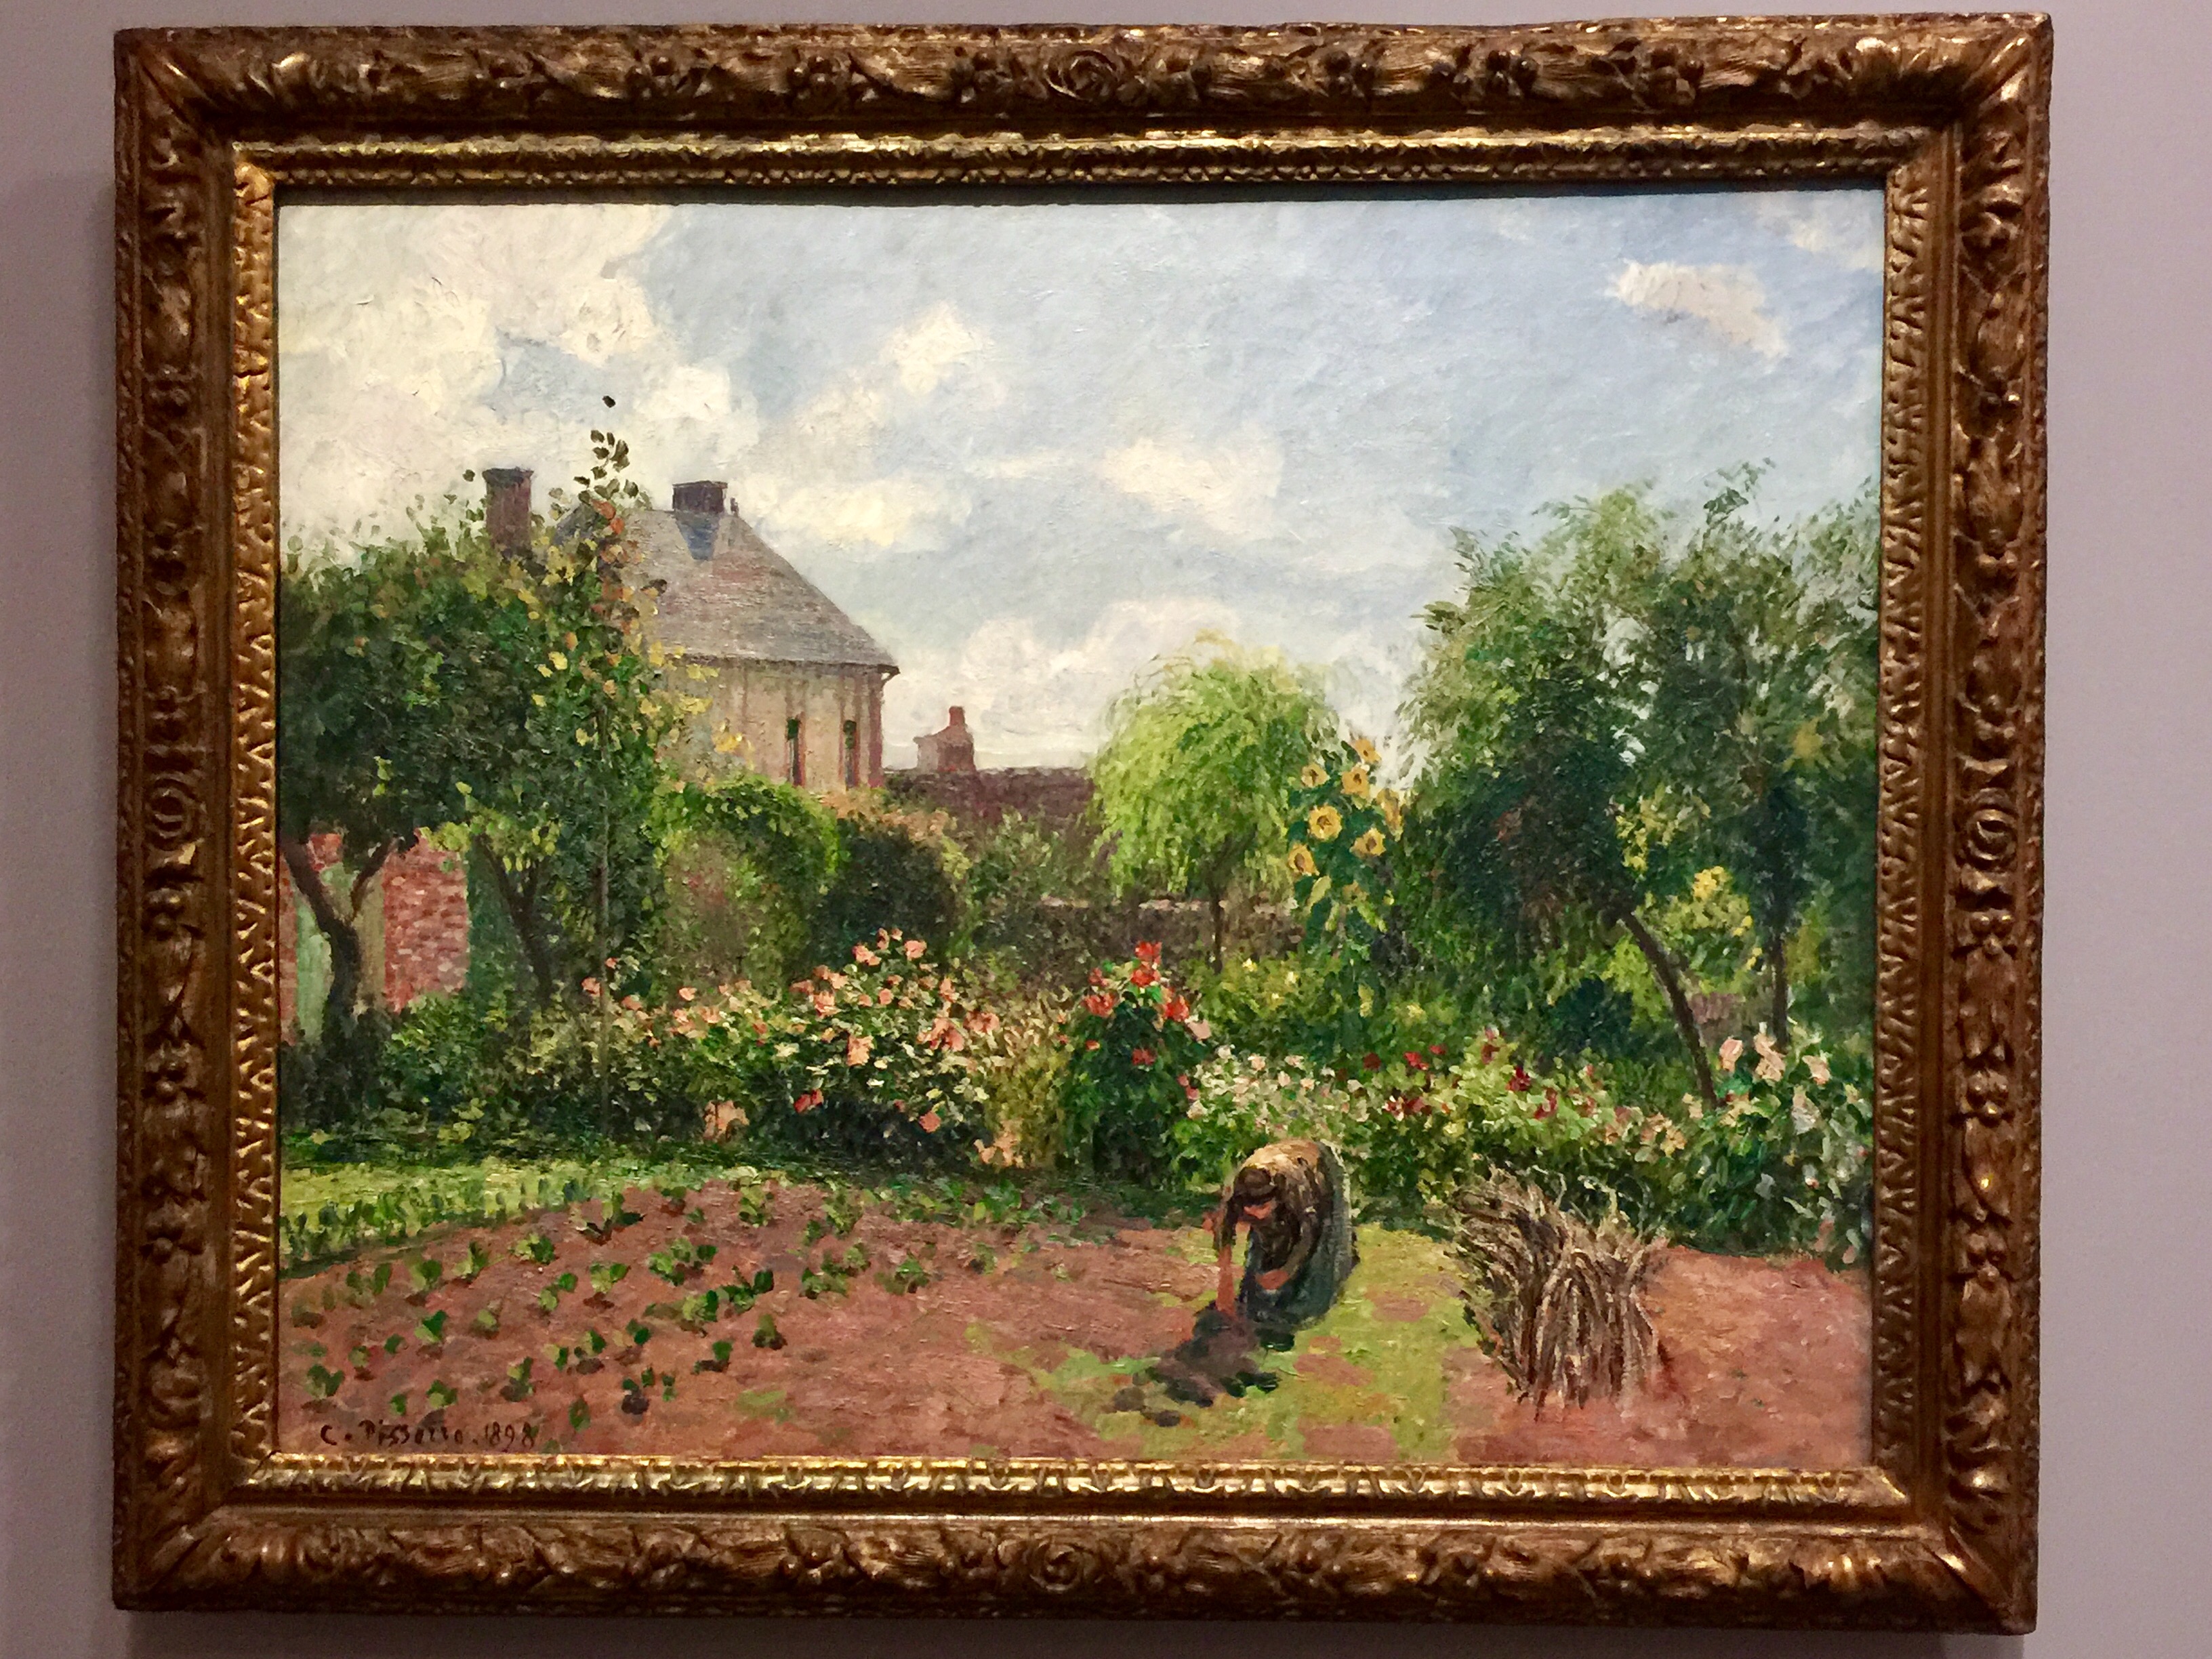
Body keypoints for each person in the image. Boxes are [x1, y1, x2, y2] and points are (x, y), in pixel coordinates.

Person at [1212, 1139, 1357, 1343]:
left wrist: (1287, 1271)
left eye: (1263, 1207)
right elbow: (1224, 1230)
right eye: (1251, 1209)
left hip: (1321, 1166)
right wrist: (1225, 1282)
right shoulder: (1237, 1191)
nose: (1257, 1214)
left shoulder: (1295, 1187)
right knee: (1265, 1240)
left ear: (1275, 1197)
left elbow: (1309, 1233)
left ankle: (1314, 1297)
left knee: (1329, 1242)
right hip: (1287, 1176)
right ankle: (1259, 1297)